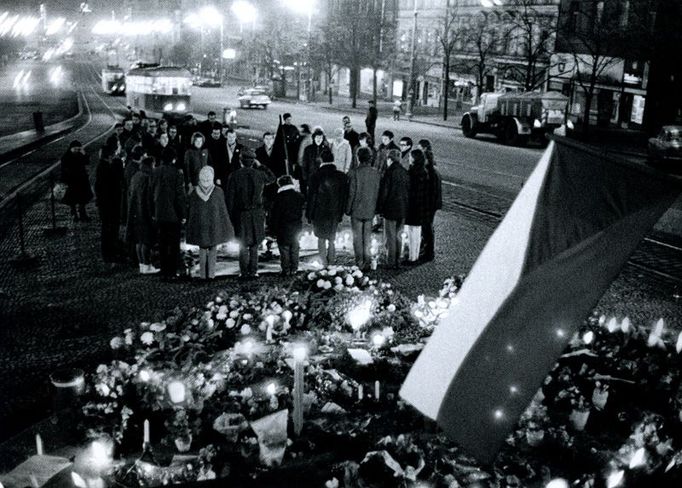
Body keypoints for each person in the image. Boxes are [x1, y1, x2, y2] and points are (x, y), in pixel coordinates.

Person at [225, 148, 276, 279]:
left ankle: (244, 272)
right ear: (253, 161)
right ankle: (253, 271)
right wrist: (261, 166)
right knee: (254, 244)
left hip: (241, 214)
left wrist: (230, 217)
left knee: (242, 244)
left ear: (241, 161)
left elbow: (230, 199)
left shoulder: (234, 176)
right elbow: (272, 178)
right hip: (257, 213)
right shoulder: (259, 174)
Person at [186, 166, 234, 280]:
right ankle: (211, 274)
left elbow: (190, 211)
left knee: (202, 249)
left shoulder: (194, 192)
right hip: (214, 225)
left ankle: (203, 275)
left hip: (200, 226)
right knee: (213, 249)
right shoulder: (218, 191)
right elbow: (223, 210)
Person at [151, 147, 188, 280]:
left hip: (159, 213)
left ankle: (163, 269)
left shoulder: (155, 171)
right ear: (174, 158)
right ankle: (171, 272)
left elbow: (151, 191)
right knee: (173, 244)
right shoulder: (177, 173)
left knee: (162, 242)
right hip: (173, 214)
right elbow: (179, 196)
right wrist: (183, 214)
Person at [307, 150, 347, 266]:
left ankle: (323, 263)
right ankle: (331, 261)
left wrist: (309, 215)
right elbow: (344, 196)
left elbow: (311, 197)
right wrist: (341, 212)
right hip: (335, 211)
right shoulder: (341, 176)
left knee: (321, 238)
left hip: (319, 211)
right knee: (331, 238)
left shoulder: (315, 176)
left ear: (321, 160)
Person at [346, 146, 381, 271]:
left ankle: (360, 262)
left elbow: (351, 193)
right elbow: (377, 192)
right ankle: (367, 260)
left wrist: (348, 209)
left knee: (357, 237)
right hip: (370, 209)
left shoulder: (354, 173)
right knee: (367, 237)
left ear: (358, 158)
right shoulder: (376, 173)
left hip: (357, 209)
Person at [126, 156, 159, 274]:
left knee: (138, 240)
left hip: (135, 212)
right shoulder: (147, 178)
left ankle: (141, 265)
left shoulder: (136, 176)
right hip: (144, 212)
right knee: (146, 240)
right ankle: (147, 265)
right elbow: (149, 198)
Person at [377, 149, 409, 269]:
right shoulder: (405, 172)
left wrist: (380, 208)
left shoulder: (389, 172)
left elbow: (384, 192)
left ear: (389, 159)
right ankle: (397, 260)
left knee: (390, 236)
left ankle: (390, 262)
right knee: (398, 235)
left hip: (390, 209)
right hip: (403, 209)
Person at [94, 140, 124, 264]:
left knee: (108, 229)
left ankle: (110, 252)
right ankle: (109, 254)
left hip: (106, 205)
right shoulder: (106, 168)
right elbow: (113, 185)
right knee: (109, 229)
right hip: (109, 206)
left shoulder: (102, 166)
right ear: (110, 156)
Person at [270, 175, 305, 276]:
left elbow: (275, 216)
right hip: (296, 226)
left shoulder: (278, 198)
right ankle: (294, 268)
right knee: (295, 248)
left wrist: (273, 229)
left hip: (283, 227)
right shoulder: (299, 196)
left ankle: (286, 269)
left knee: (284, 249)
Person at [417, 139, 442, 263]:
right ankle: (426, 249)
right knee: (427, 227)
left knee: (427, 227)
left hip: (429, 204)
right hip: (432, 204)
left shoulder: (430, 172)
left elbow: (431, 190)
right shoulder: (433, 170)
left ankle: (428, 252)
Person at [404, 149, 430, 265]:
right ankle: (415, 255)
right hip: (421, 206)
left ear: (414, 159)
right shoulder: (424, 172)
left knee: (412, 232)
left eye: (410, 156)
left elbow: (409, 190)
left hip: (413, 206)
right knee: (417, 232)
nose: (409, 158)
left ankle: (412, 257)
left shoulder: (412, 172)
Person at [60, 140, 93, 221]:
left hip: (82, 180)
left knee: (83, 199)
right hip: (72, 181)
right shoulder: (66, 157)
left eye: (78, 149)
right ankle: (74, 214)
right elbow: (64, 170)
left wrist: (84, 153)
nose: (76, 151)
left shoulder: (80, 155)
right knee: (73, 199)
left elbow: (87, 162)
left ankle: (83, 214)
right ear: (71, 148)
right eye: (75, 149)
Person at [301, 127, 329, 196]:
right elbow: (304, 164)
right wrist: (305, 177)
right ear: (314, 138)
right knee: (311, 195)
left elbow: (328, 164)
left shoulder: (326, 149)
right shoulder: (308, 149)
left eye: (321, 138)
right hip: (311, 176)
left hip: (322, 177)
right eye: (317, 138)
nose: (319, 140)